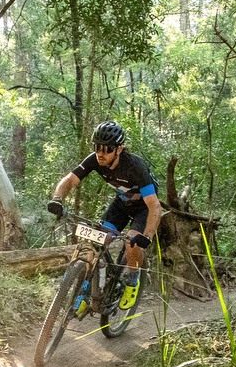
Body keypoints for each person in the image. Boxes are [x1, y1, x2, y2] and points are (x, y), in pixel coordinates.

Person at [46, 120, 161, 311]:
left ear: (119, 149)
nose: (101, 153)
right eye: (97, 147)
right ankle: (87, 291)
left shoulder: (135, 167)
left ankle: (132, 282)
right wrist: (57, 199)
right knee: (97, 241)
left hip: (143, 208)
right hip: (122, 204)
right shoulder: (94, 160)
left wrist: (147, 236)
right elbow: (70, 180)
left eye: (107, 148)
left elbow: (154, 206)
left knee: (131, 241)